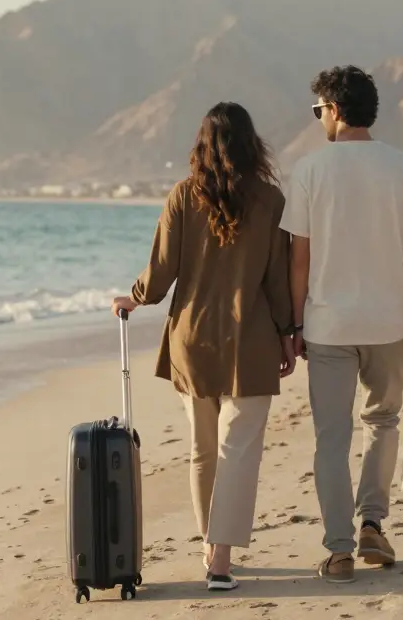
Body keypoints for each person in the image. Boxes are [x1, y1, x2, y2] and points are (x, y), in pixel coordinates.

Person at [112, 101, 295, 592]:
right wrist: (289, 332)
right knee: (239, 451)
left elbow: (162, 269)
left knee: (202, 450)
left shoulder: (182, 196)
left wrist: (133, 299)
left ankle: (209, 546)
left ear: (202, 144)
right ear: (251, 144)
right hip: (250, 338)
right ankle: (220, 557)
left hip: (191, 339)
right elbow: (278, 280)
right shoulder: (272, 201)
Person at [281, 66, 403, 584]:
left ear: (333, 109)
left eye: (318, 111)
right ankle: (373, 522)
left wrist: (294, 323)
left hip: (328, 326)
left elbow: (298, 261)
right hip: (390, 323)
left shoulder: (309, 171)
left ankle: (339, 551)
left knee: (331, 438)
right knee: (383, 422)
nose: (318, 120)